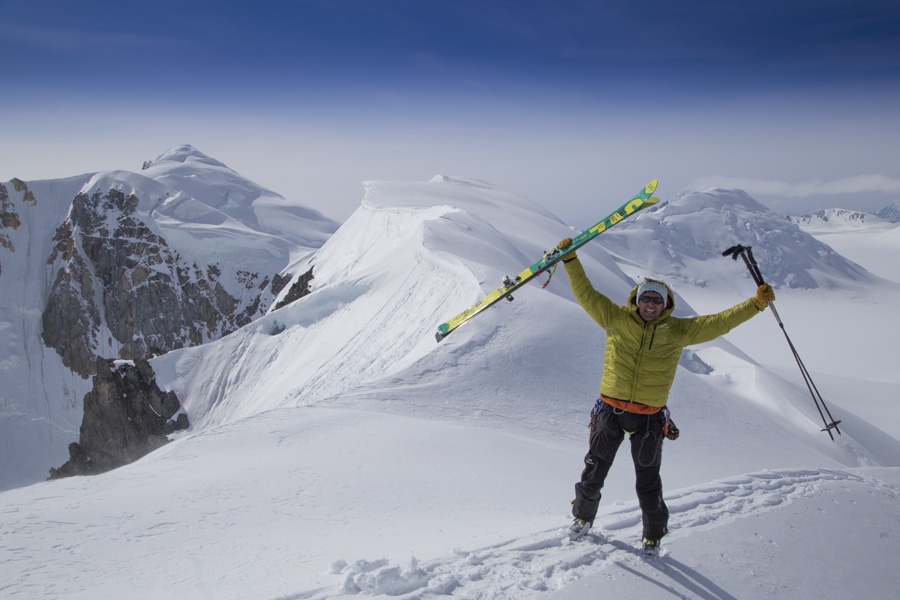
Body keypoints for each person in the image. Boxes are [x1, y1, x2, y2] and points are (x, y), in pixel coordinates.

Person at [556, 237, 775, 556]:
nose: (650, 305)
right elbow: (586, 294)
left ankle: (652, 535)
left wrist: (755, 305)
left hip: (648, 418)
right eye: (646, 299)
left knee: (647, 480)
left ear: (666, 305)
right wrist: (570, 260)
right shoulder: (614, 318)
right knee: (593, 470)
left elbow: (718, 323)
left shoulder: (678, 330)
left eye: (657, 301)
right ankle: (583, 518)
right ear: (636, 300)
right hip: (610, 411)